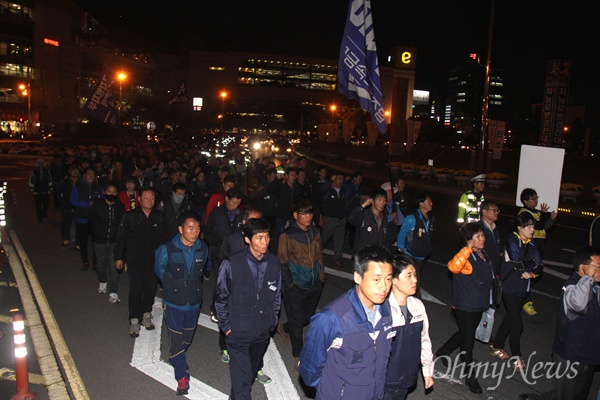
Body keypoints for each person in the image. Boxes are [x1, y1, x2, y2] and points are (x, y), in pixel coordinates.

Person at [299, 245, 395, 400]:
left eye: (388, 279)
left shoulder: (385, 309)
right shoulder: (331, 318)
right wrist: (330, 390)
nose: (384, 287)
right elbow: (310, 366)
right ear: (358, 277)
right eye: (376, 279)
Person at [215, 218, 281, 400]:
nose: (265, 242)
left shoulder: (274, 264)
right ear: (247, 239)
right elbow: (220, 299)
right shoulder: (231, 264)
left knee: (248, 376)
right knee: (243, 382)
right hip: (238, 333)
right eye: (259, 238)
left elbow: (276, 297)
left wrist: (272, 321)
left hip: (262, 332)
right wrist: (227, 327)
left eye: (267, 237)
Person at [435, 222, 494, 394]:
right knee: (468, 342)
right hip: (465, 305)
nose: (482, 239)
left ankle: (443, 350)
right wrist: (467, 248)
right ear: (469, 240)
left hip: (478, 304)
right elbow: (453, 267)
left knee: (465, 333)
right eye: (477, 236)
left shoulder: (483, 253)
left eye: (482, 235)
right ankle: (471, 377)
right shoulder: (466, 256)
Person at [154, 210, 208, 396]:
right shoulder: (166, 249)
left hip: (194, 302)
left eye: (197, 228)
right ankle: (182, 377)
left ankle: (177, 356)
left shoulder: (203, 248)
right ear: (180, 229)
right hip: (174, 302)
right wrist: (171, 286)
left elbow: (201, 271)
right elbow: (159, 269)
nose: (195, 232)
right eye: (190, 228)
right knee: (176, 339)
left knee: (187, 337)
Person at [488, 213, 543, 371]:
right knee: (517, 324)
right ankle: (517, 356)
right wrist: (531, 265)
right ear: (520, 228)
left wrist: (532, 272)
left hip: (522, 288)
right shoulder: (512, 241)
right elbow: (516, 261)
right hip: (509, 287)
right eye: (529, 226)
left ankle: (497, 345)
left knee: (510, 318)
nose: (532, 229)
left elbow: (539, 265)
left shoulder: (531, 244)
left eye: (533, 226)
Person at [277, 197, 324, 371]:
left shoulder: (315, 231)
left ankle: (284, 328)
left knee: (307, 316)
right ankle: (299, 355)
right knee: (297, 321)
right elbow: (282, 261)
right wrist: (289, 285)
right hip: (295, 285)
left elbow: (319, 254)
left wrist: (321, 275)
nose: (308, 217)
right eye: (304, 213)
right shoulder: (287, 235)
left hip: (314, 283)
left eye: (310, 213)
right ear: (295, 215)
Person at [114, 185, 167, 338]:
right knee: (136, 289)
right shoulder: (130, 216)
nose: (149, 201)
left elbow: (166, 239)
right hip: (135, 260)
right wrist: (118, 257)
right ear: (139, 199)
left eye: (152, 198)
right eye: (146, 198)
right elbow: (121, 238)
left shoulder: (159, 217)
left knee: (150, 289)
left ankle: (146, 313)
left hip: (154, 261)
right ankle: (134, 319)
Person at [551, 245, 600, 400]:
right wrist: (588, 278)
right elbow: (579, 305)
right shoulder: (571, 286)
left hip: (588, 355)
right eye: (597, 267)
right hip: (570, 357)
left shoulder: (595, 287)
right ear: (583, 268)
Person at [385, 254, 434, 400]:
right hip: (385, 381)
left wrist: (427, 370)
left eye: (415, 275)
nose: (415, 280)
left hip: (408, 378)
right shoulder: (383, 309)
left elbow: (424, 340)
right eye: (409, 276)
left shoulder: (418, 306)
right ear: (393, 279)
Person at [518, 188, 557, 316]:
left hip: (538, 246)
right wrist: (545, 214)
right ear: (525, 201)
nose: (536, 201)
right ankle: (525, 299)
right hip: (530, 247)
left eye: (536, 197)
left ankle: (523, 295)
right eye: (533, 198)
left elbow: (543, 228)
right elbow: (538, 226)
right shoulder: (524, 213)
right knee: (529, 273)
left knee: (534, 273)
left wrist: (550, 219)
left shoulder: (535, 213)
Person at [88, 183, 126, 303]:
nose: (111, 194)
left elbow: (122, 224)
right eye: (109, 192)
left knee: (113, 266)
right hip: (99, 241)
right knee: (100, 265)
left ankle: (113, 291)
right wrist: (95, 234)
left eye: (114, 192)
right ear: (104, 192)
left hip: (114, 242)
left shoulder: (120, 207)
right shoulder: (97, 205)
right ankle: (102, 281)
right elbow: (90, 220)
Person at [396, 193, 434, 298]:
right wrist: (402, 248)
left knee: (414, 279)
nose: (431, 203)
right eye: (428, 201)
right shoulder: (412, 218)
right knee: (415, 281)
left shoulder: (430, 219)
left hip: (421, 257)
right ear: (421, 203)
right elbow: (402, 233)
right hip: (411, 256)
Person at [70, 167, 103, 271]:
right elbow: (73, 200)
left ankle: (95, 263)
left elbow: (103, 199)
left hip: (95, 219)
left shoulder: (98, 187)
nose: (91, 177)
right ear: (84, 176)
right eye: (89, 175)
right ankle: (85, 261)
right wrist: (87, 204)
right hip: (82, 218)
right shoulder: (78, 187)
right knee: (83, 242)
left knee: (96, 242)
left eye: (93, 175)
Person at [347, 187, 389, 256]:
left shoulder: (384, 218)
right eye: (380, 200)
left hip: (376, 257)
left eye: (384, 200)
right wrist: (363, 205)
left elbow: (384, 239)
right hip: (363, 256)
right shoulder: (364, 215)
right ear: (372, 200)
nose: (382, 203)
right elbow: (351, 218)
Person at [320, 170, 348, 268]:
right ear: (334, 179)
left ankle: (337, 259)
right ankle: (315, 253)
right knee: (324, 238)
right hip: (330, 219)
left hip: (341, 219)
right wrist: (329, 181)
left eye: (342, 179)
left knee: (339, 240)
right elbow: (323, 190)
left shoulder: (343, 191)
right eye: (339, 179)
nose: (341, 181)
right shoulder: (328, 189)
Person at [55, 164, 79, 248]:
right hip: (66, 207)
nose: (75, 172)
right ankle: (66, 238)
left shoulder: (81, 182)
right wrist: (62, 202)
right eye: (73, 170)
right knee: (66, 223)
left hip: (78, 208)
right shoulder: (64, 182)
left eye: (76, 170)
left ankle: (77, 242)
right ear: (69, 172)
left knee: (78, 224)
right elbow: (58, 193)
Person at [479, 200, 503, 275]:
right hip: (483, 268)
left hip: (494, 269)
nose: (497, 213)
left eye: (497, 210)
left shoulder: (495, 230)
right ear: (484, 212)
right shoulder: (478, 229)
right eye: (494, 210)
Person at [28, 157, 53, 223]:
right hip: (37, 191)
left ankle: (44, 213)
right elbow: (31, 180)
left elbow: (49, 180)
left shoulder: (47, 171)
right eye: (39, 163)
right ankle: (39, 218)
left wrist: (50, 188)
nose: (41, 165)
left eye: (42, 163)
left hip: (45, 191)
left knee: (46, 204)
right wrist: (32, 189)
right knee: (38, 206)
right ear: (37, 164)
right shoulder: (34, 172)